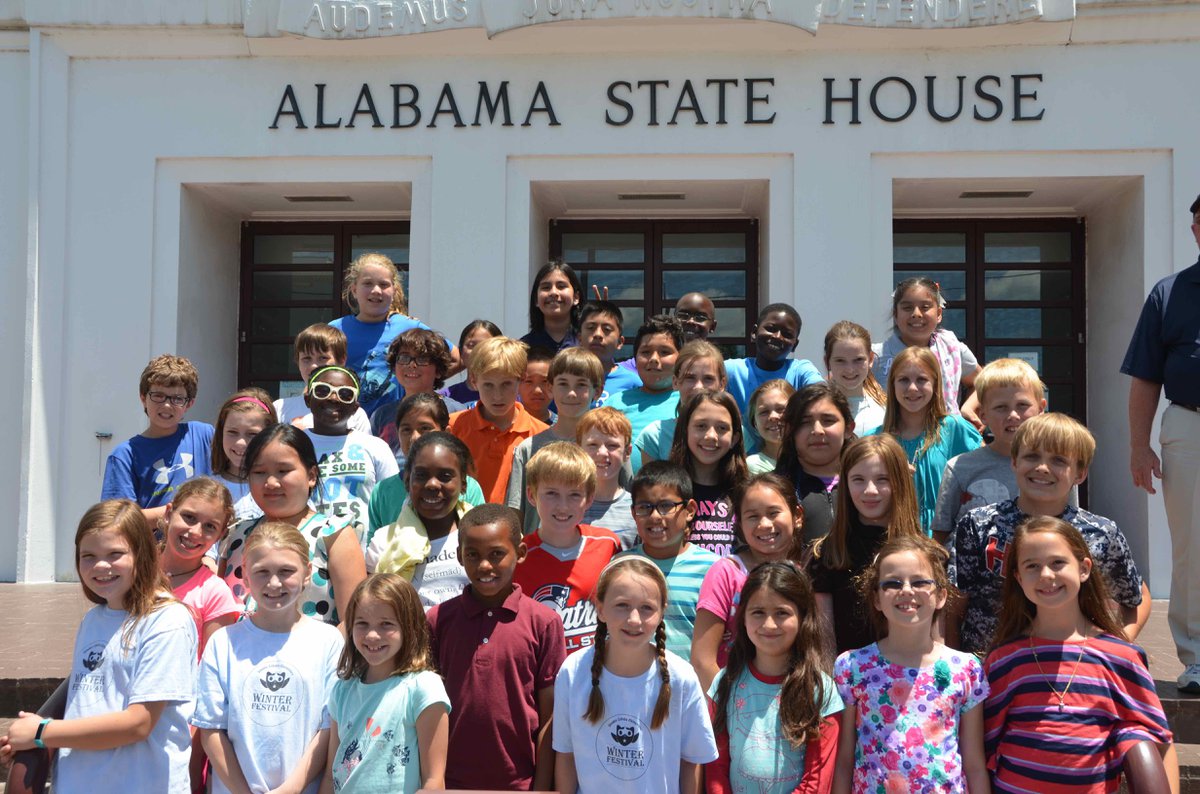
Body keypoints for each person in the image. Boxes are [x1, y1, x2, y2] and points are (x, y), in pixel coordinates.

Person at [0, 500, 197, 793]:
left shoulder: (168, 620)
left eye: (115, 554)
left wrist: (42, 733)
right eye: (88, 555)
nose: (101, 566)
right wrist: (31, 739)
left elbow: (138, 724)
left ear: (142, 554)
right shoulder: (93, 620)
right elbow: (85, 707)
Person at [983, 517, 1173, 792]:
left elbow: (1159, 744)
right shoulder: (1003, 660)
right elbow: (984, 745)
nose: (1046, 575)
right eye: (1032, 566)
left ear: (1083, 568)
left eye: (1057, 562)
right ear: (1018, 578)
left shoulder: (1122, 657)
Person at [949, 413, 1151, 655]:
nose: (1043, 468)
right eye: (1032, 456)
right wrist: (957, 665)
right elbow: (954, 605)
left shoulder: (1101, 533)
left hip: (1071, 666)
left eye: (1058, 460)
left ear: (1080, 474)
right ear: (1014, 462)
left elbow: (1136, 597)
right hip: (990, 668)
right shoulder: (979, 524)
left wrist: (1118, 647)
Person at [193, 522, 342, 794]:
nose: (274, 583)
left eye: (286, 571)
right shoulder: (224, 643)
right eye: (262, 572)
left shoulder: (329, 641)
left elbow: (328, 728)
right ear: (246, 577)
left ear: (307, 573)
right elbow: (211, 731)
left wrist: (293, 788)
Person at [833, 534, 989, 794]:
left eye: (919, 582)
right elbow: (844, 761)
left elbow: (974, 763)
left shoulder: (965, 669)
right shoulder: (852, 667)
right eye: (893, 583)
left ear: (941, 595)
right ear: (876, 599)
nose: (906, 590)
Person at [427, 504, 566, 791]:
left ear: (521, 553)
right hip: (450, 783)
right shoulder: (438, 620)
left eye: (497, 554)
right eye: (473, 555)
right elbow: (426, 710)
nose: (485, 566)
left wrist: (540, 788)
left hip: (520, 783)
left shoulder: (544, 622)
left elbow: (550, 718)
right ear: (459, 556)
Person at [552, 556, 719, 794]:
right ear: (600, 609)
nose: (634, 620)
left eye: (647, 608)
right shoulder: (573, 671)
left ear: (662, 612)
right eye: (622, 605)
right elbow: (566, 755)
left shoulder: (681, 678)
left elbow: (691, 761)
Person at [1122, 192, 1200, 693]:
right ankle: (1197, 656)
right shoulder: (1170, 293)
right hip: (1189, 427)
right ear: (1195, 230)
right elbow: (1145, 376)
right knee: (1193, 546)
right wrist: (1138, 444)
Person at [707, 562, 842, 794]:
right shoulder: (725, 683)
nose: (769, 624)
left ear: (803, 617)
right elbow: (716, 766)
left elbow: (817, 780)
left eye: (782, 613)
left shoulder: (821, 691)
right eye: (758, 612)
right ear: (743, 618)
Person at [220, 424, 366, 625]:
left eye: (283, 470)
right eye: (259, 472)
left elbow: (353, 623)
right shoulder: (236, 533)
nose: (271, 482)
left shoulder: (334, 535)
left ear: (312, 476)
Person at [322, 574, 450, 793]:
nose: (372, 635)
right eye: (362, 623)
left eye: (386, 625)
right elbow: (329, 776)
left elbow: (434, 782)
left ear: (409, 627)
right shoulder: (342, 690)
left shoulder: (423, 688)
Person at [809, 435, 923, 655]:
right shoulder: (828, 553)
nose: (870, 490)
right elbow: (824, 641)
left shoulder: (925, 554)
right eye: (858, 479)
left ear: (900, 481)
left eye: (882, 479)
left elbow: (934, 636)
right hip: (847, 681)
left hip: (910, 680)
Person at [693, 473, 806, 693]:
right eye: (752, 516)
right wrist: (728, 711)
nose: (764, 524)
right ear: (739, 524)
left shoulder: (803, 575)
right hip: (730, 708)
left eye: (773, 513)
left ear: (797, 516)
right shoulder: (726, 572)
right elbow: (702, 659)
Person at [932, 357, 1067, 540]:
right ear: (983, 415)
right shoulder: (959, 468)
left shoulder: (1060, 466)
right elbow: (941, 536)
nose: (1012, 415)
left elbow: (1070, 527)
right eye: (1001, 407)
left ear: (1041, 408)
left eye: (1022, 405)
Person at [514, 441, 621, 655]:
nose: (563, 506)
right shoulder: (518, 556)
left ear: (590, 498)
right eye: (551, 493)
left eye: (574, 495)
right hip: (543, 680)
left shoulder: (608, 545)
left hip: (598, 675)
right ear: (531, 495)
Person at [871, 346, 981, 535]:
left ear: (935, 383)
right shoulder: (876, 439)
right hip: (892, 540)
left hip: (944, 539)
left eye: (922, 380)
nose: (912, 388)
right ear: (892, 384)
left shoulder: (956, 429)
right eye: (903, 380)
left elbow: (983, 476)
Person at [619, 461, 719, 661]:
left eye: (666, 506)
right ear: (633, 512)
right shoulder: (621, 566)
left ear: (690, 510)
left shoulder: (713, 570)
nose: (655, 516)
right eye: (644, 507)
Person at [331, 252, 451, 417]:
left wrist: (419, 383)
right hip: (345, 425)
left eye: (384, 284)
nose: (376, 291)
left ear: (394, 290)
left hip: (395, 425)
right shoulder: (336, 330)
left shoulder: (409, 327)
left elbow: (455, 358)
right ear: (354, 289)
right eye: (367, 283)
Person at [101, 354, 214, 526]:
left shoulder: (204, 435)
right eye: (158, 396)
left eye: (177, 399)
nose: (167, 405)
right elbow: (118, 522)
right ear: (143, 398)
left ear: (189, 403)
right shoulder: (124, 456)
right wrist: (181, 512)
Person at [365, 432, 472, 610]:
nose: (432, 485)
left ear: (463, 484)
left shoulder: (481, 537)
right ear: (407, 481)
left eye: (445, 476)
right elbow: (374, 610)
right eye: (421, 475)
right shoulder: (384, 543)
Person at [507, 346, 605, 536]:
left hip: (597, 550)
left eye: (581, 385)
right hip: (541, 554)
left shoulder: (607, 448)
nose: (571, 393)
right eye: (563, 384)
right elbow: (515, 513)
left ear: (598, 391)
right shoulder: (528, 449)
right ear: (550, 388)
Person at [366, 393, 486, 540]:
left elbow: (479, 538)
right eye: (406, 430)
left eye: (425, 428)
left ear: (446, 433)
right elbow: (374, 549)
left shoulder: (468, 487)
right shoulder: (382, 491)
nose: (415, 437)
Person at [303, 366, 399, 544]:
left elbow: (392, 506)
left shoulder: (376, 447)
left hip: (365, 559)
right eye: (323, 390)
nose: (333, 398)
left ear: (355, 407)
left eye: (345, 394)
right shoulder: (293, 445)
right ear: (308, 399)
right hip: (305, 555)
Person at [448, 336, 549, 503]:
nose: (497, 395)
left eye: (506, 384)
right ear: (474, 381)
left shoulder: (541, 435)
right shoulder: (452, 427)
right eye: (488, 385)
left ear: (522, 379)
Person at [872, 277, 980, 423]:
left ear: (939, 313)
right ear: (896, 315)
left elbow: (982, 382)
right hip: (894, 441)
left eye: (925, 307)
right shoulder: (876, 355)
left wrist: (968, 407)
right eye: (907, 307)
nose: (916, 313)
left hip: (947, 439)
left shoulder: (952, 348)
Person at [158, 477, 240, 650]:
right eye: (189, 517)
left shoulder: (215, 593)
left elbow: (213, 665)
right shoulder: (134, 571)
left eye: (210, 526)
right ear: (168, 513)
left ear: (220, 534)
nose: (195, 532)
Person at [668, 390, 748, 558]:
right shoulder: (666, 491)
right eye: (701, 426)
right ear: (685, 430)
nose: (711, 436)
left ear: (734, 438)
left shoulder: (745, 494)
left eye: (722, 428)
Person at [370, 328, 465, 464]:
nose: (412, 365)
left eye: (422, 359)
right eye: (404, 358)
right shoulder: (381, 415)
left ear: (438, 370)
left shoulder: (457, 412)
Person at [774, 383, 855, 544]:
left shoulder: (868, 485)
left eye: (828, 420)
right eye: (805, 422)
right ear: (790, 430)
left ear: (848, 428)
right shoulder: (773, 490)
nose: (817, 430)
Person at [607, 315, 686, 469]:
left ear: (681, 358)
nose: (654, 359)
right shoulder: (615, 403)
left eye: (664, 352)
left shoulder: (688, 401)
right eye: (646, 352)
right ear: (635, 359)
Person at [637, 340, 729, 467]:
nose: (698, 387)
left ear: (722, 384)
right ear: (675, 382)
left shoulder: (735, 433)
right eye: (690, 378)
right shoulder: (656, 435)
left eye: (708, 379)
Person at [723, 303, 824, 417]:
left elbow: (823, 394)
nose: (777, 337)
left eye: (787, 334)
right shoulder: (731, 371)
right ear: (754, 333)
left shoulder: (800, 372)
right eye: (771, 329)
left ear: (794, 345)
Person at [274, 323, 371, 434]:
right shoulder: (280, 408)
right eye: (306, 358)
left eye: (322, 358)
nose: (314, 366)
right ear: (298, 362)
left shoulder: (355, 414)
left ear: (342, 361)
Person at [210, 388, 276, 522]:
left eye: (252, 434)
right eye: (232, 432)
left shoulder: (278, 487)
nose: (240, 443)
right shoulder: (208, 489)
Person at [578, 407, 639, 548]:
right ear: (579, 449)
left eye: (612, 445)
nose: (602, 453)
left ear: (627, 452)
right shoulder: (565, 504)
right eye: (593, 445)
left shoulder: (637, 508)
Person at [823, 320, 886, 434]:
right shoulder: (816, 410)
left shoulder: (884, 411)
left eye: (858, 360)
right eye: (840, 360)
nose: (850, 369)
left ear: (871, 359)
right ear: (827, 362)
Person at [579, 300, 641, 402]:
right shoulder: (566, 377)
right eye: (591, 328)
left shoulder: (633, 383)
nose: (598, 334)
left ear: (620, 342)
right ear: (579, 338)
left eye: (607, 329)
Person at [522, 260, 583, 351]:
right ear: (536, 300)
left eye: (561, 286)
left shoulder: (588, 345)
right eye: (546, 287)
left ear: (576, 297)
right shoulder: (523, 349)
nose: (553, 293)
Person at [439, 319, 501, 408]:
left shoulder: (515, 396)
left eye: (485, 345)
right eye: (471, 345)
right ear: (460, 351)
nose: (478, 351)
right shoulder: (443, 399)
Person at [745, 380, 795, 474]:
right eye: (764, 412)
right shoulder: (754, 465)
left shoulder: (811, 458)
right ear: (755, 423)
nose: (773, 416)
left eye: (781, 409)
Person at [519, 346, 557, 424]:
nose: (537, 391)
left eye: (545, 381)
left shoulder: (563, 429)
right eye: (529, 381)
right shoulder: (506, 426)